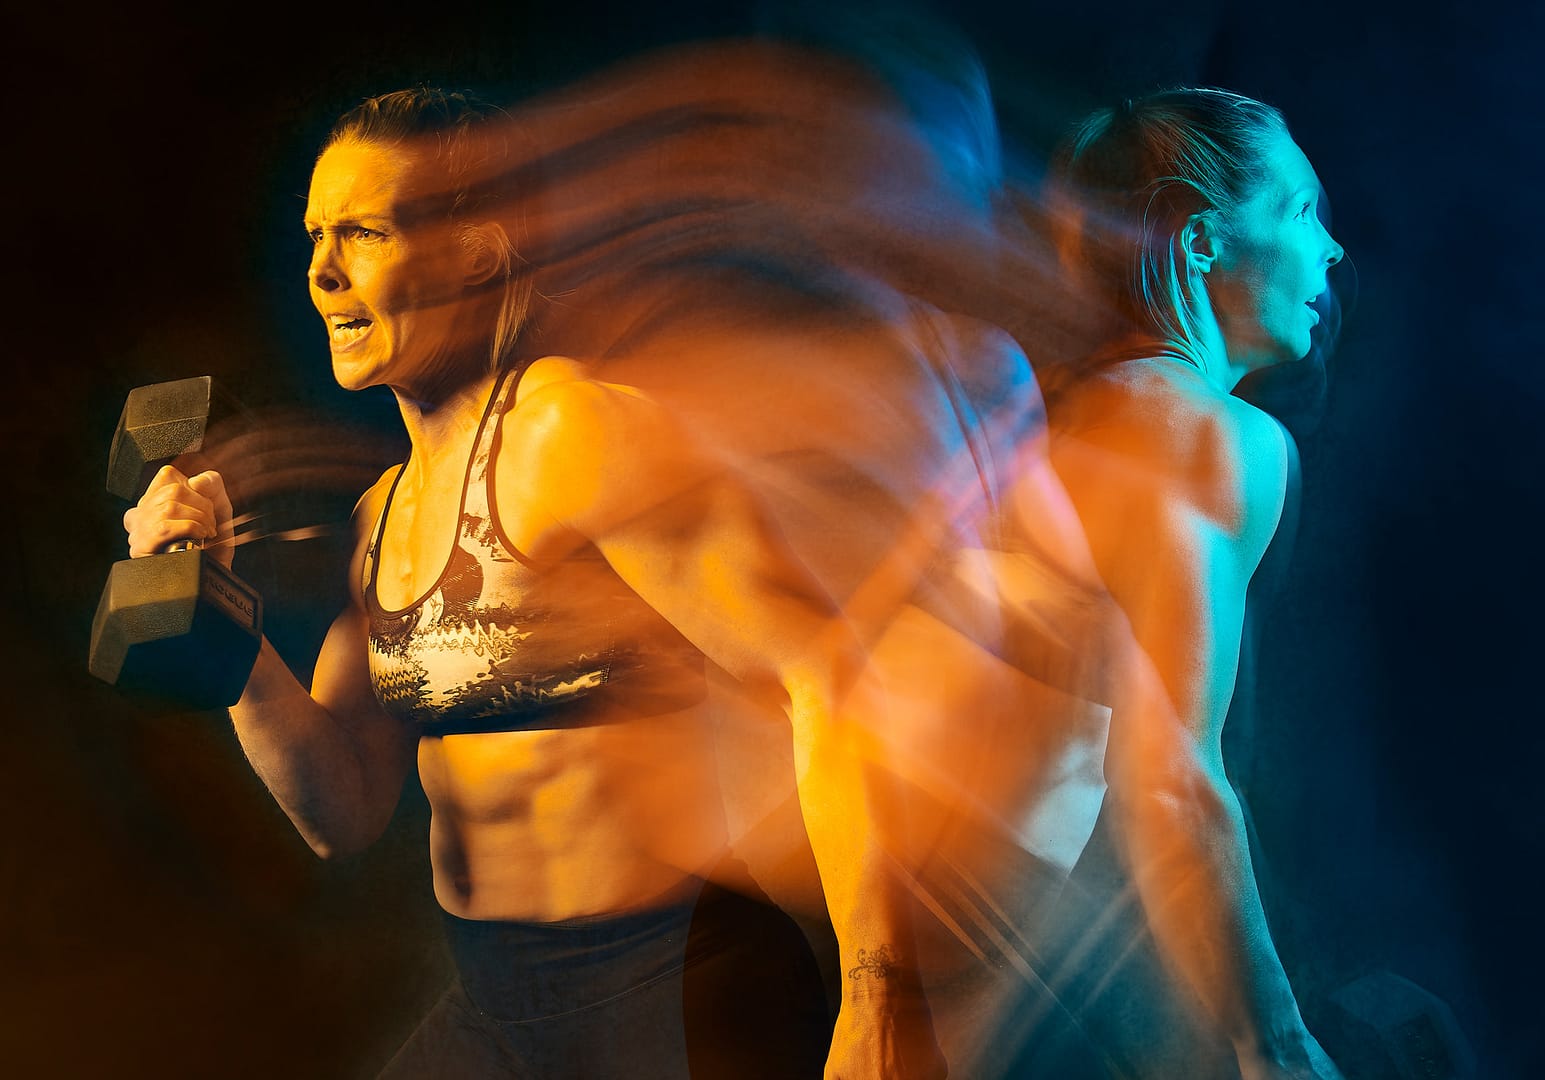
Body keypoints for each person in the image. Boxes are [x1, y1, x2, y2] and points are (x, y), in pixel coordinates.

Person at [121, 84, 957, 1078]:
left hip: (672, 988)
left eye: (364, 233)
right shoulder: (381, 515)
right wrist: (220, 620)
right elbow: (341, 809)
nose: (322, 272)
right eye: (314, 238)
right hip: (499, 1002)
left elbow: (828, 676)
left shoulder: (571, 435)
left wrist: (879, 999)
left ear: (476, 246)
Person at [989, 87, 1351, 1079]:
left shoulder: (1060, 418)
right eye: (1299, 212)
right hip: (1065, 1004)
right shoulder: (1199, 436)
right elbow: (1170, 781)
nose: (1331, 252)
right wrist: (1274, 1045)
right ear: (1196, 241)